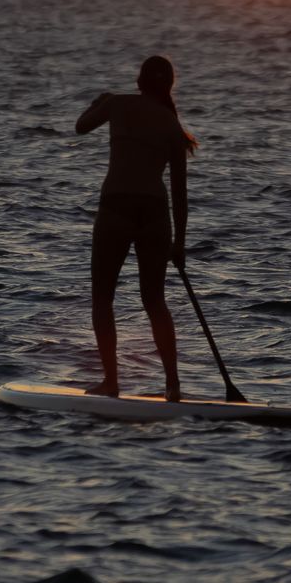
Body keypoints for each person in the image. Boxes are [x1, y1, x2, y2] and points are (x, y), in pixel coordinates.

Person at [74, 55, 198, 400]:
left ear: (139, 82)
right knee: (155, 300)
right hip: (156, 215)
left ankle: (111, 382)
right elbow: (179, 193)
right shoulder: (172, 126)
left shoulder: (117, 104)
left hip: (117, 209)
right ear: (169, 86)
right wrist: (180, 243)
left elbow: (81, 126)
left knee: (102, 298)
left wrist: (98, 102)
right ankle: (173, 385)